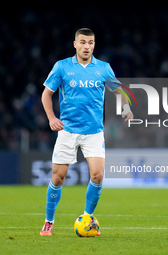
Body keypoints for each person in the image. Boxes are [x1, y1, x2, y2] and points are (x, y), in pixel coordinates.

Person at [40, 28, 133, 236]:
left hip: (93, 132)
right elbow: (46, 95)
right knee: (58, 178)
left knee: (98, 175)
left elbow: (120, 91)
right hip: (68, 130)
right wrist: (52, 118)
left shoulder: (103, 68)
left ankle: (87, 218)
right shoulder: (62, 67)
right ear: (75, 44)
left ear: (94, 45)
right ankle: (49, 221)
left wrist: (126, 109)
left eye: (90, 43)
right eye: (82, 42)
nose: (86, 46)